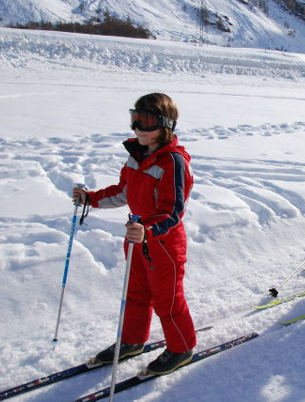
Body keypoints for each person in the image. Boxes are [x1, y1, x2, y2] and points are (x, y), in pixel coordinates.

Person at [73, 93, 197, 375]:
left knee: (167, 299)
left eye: (147, 121)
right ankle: (132, 340)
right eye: (135, 119)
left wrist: (148, 230)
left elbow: (174, 210)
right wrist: (89, 199)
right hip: (136, 238)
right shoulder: (136, 157)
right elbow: (122, 192)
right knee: (136, 293)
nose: (139, 129)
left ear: (166, 125)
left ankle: (182, 348)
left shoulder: (172, 162)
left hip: (163, 242)